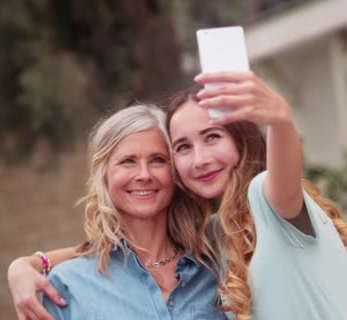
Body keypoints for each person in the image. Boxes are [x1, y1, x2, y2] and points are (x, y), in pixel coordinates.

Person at [8, 71, 347, 320]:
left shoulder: (263, 207)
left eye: (213, 137)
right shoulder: (219, 242)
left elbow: (282, 182)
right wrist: (27, 264)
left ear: (242, 141)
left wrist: (280, 120)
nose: (200, 159)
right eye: (183, 147)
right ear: (102, 175)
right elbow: (105, 254)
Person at [12, 104, 225, 320]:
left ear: (175, 172)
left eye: (157, 160)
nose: (144, 174)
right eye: (127, 161)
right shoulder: (67, 285)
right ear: (104, 175)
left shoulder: (217, 262)